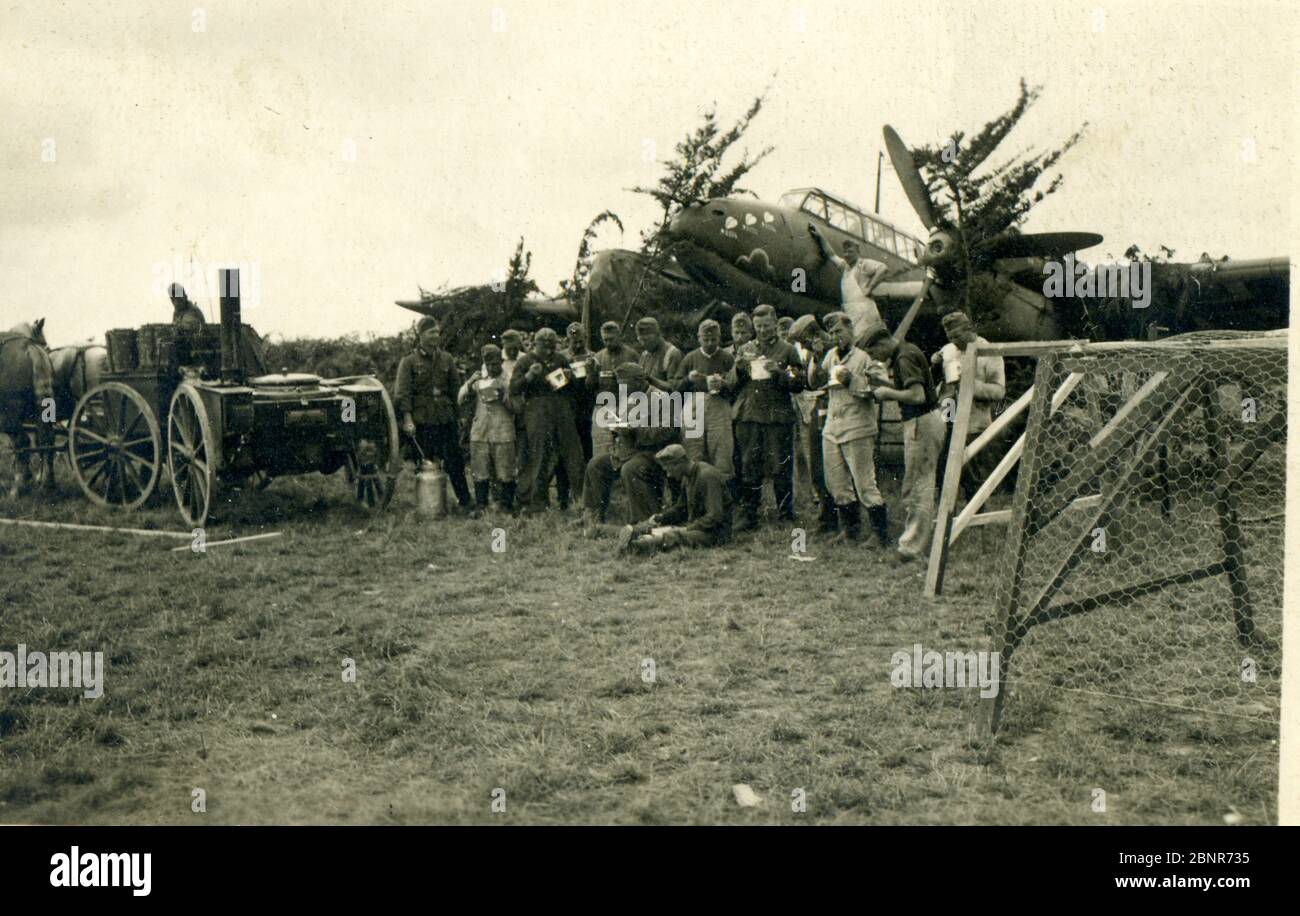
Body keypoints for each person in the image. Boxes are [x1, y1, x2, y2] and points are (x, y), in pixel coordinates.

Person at [860, 321, 943, 560]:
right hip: (925, 421)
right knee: (919, 483)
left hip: (921, 422)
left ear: (883, 343)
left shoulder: (904, 357)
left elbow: (916, 395)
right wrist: (884, 383)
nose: (876, 358)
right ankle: (917, 542)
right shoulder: (907, 352)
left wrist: (887, 393)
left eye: (874, 352)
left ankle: (911, 548)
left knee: (917, 485)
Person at [811, 313, 888, 544]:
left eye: (840, 332)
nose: (836, 337)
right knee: (836, 483)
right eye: (832, 333)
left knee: (864, 482)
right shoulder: (830, 356)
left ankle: (879, 533)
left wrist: (852, 380)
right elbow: (816, 382)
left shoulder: (864, 358)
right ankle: (850, 530)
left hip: (857, 426)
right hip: (832, 427)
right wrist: (815, 359)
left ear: (851, 331)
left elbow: (878, 389)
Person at [728, 303, 804, 529]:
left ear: (775, 323)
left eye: (767, 326)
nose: (763, 331)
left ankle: (785, 513)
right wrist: (740, 369)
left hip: (776, 417)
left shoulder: (788, 350)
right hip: (749, 415)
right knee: (749, 466)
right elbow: (732, 383)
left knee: (780, 466)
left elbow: (798, 382)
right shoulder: (746, 349)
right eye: (759, 326)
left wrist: (779, 372)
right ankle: (750, 514)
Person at [581, 364, 677, 532]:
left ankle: (643, 521)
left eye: (625, 383)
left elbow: (668, 431)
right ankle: (594, 517)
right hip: (627, 451)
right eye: (620, 384)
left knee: (630, 469)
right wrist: (617, 427)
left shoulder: (661, 398)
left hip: (653, 454)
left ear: (640, 381)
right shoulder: (630, 397)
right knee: (596, 465)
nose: (621, 387)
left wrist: (634, 430)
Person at [394, 317, 474, 511]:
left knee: (454, 461)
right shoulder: (409, 361)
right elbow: (403, 393)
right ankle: (428, 505)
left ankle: (465, 502)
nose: (435, 336)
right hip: (423, 420)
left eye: (437, 332)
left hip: (446, 418)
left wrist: (460, 415)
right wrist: (407, 419)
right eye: (431, 333)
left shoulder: (447, 359)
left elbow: (456, 390)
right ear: (421, 335)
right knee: (426, 464)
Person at [508, 327, 586, 512]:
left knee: (573, 453)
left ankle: (582, 501)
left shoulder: (560, 359)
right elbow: (513, 389)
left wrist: (570, 377)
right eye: (545, 347)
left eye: (552, 347)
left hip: (561, 407)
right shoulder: (525, 361)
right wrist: (529, 376)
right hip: (537, 410)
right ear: (535, 344)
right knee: (540, 455)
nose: (550, 351)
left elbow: (574, 388)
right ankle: (537, 503)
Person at [932, 310, 1006, 501]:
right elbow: (938, 376)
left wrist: (971, 386)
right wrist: (935, 363)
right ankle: (947, 516)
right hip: (948, 416)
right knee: (944, 469)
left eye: (957, 336)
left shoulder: (989, 352)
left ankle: (976, 519)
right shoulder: (948, 349)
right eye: (949, 336)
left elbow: (999, 391)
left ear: (968, 329)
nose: (953, 340)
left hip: (974, 421)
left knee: (973, 473)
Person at [620, 444, 733, 553]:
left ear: (680, 463)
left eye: (669, 469)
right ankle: (635, 534)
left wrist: (687, 529)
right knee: (665, 530)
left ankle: (637, 546)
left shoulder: (707, 476)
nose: (669, 475)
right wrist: (663, 517)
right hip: (698, 528)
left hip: (715, 533)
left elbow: (714, 516)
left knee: (673, 535)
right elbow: (681, 508)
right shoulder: (687, 478)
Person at [789, 314, 836, 532]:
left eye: (803, 341)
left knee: (831, 466)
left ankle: (836, 516)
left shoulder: (832, 351)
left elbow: (825, 379)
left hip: (832, 409)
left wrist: (818, 358)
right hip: (817, 409)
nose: (802, 346)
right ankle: (826, 515)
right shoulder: (811, 355)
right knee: (817, 464)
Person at [458, 343, 517, 516]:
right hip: (480, 430)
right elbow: (460, 398)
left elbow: (517, 408)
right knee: (479, 469)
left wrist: (504, 396)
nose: (492, 367)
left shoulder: (509, 379)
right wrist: (469, 384)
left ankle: (506, 506)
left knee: (506, 470)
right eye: (488, 364)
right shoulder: (479, 378)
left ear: (501, 361)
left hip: (503, 430)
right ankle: (481, 506)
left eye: (495, 363)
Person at [671, 319, 735, 480]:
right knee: (693, 450)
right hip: (694, 405)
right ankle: (694, 495)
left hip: (719, 405)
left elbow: (736, 388)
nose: (710, 343)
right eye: (706, 339)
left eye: (713, 339)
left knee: (721, 450)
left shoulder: (727, 358)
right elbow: (675, 386)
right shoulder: (690, 358)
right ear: (699, 338)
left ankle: (721, 496)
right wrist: (688, 380)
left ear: (719, 338)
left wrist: (724, 384)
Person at [809, 225, 888, 338]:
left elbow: (883, 268)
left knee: (868, 337)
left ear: (857, 252)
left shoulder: (863, 264)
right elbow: (831, 254)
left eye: (850, 252)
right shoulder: (845, 267)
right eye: (845, 252)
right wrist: (821, 237)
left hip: (864, 310)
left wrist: (869, 287)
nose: (847, 255)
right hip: (851, 310)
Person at [589, 320, 638, 459]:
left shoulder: (631, 355)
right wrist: (591, 372)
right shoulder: (598, 357)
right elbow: (590, 387)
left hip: (625, 407)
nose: (608, 343)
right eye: (605, 340)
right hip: (603, 408)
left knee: (625, 451)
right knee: (601, 452)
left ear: (619, 336)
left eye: (611, 339)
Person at [635, 316, 682, 392]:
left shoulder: (672, 354)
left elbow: (674, 388)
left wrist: (650, 379)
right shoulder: (645, 354)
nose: (643, 344)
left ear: (658, 335)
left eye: (646, 339)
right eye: (640, 340)